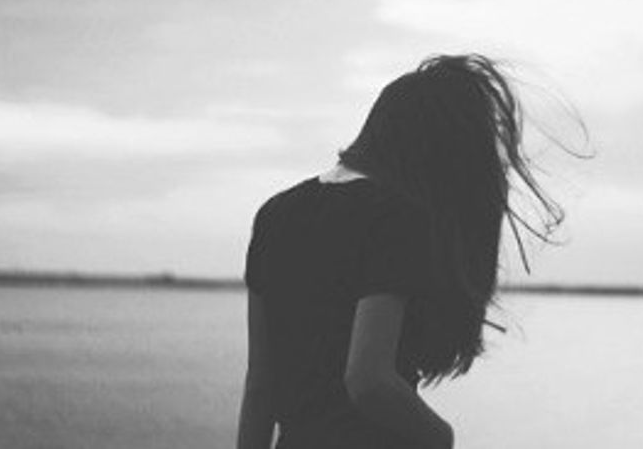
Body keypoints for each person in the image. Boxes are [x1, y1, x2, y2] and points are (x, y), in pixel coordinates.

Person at [237, 54, 577, 449]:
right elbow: (368, 379)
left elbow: (260, 385)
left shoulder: (276, 213)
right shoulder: (396, 216)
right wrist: (440, 437)